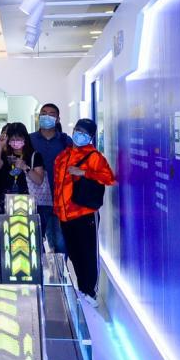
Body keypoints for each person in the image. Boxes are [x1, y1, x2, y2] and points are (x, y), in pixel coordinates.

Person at [52, 119, 116, 300]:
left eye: (85, 133)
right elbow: (57, 185)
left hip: (84, 214)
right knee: (74, 255)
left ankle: (90, 292)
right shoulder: (63, 156)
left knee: (87, 254)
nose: (80, 135)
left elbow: (109, 178)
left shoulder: (94, 156)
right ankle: (82, 289)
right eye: (78, 130)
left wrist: (84, 172)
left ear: (91, 137)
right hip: (64, 215)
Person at [30, 103, 73, 254]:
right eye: (43, 113)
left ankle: (60, 268)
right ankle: (43, 268)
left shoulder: (65, 141)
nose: (46, 116)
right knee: (39, 240)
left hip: (61, 198)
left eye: (51, 114)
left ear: (58, 119)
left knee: (61, 242)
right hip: (38, 199)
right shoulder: (30, 140)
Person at [0, 122, 45, 201]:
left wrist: (25, 168)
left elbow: (39, 181)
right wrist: (0, 145)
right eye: (12, 139)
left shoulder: (34, 156)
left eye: (18, 139)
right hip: (7, 199)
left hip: (27, 200)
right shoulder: (6, 154)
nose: (15, 142)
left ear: (25, 138)